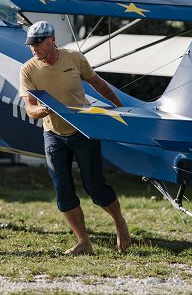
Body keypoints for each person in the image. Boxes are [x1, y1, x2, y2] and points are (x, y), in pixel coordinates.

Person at [19, 21, 131, 255]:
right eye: (31, 45)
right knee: (63, 190)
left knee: (95, 186)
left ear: (52, 41)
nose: (33, 49)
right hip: (53, 134)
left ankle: (119, 222)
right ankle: (84, 242)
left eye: (38, 44)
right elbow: (30, 108)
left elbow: (98, 83)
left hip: (83, 130)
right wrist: (45, 110)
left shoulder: (74, 58)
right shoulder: (28, 70)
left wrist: (120, 108)